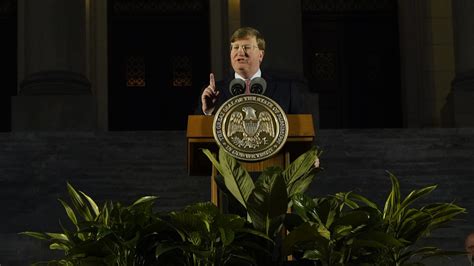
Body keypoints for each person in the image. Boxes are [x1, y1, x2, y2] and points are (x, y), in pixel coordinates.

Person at [199, 26, 307, 115]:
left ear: (261, 55)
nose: (240, 52)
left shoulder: (287, 91)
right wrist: (208, 112)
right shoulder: (212, 93)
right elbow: (196, 134)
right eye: (235, 47)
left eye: (246, 47)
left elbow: (302, 132)